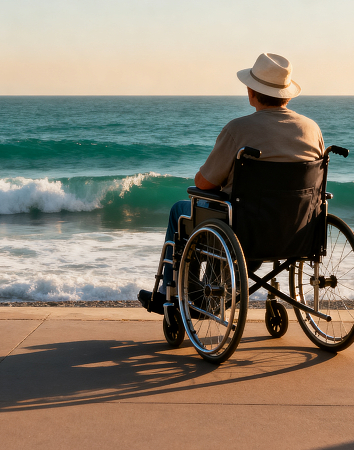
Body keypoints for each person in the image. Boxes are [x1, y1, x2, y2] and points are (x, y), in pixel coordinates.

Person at [138, 52, 325, 312]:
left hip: (244, 232)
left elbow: (204, 183)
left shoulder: (238, 130)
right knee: (229, 214)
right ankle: (207, 293)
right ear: (288, 94)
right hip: (297, 232)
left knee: (182, 211)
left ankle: (175, 295)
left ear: (251, 92)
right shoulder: (311, 129)